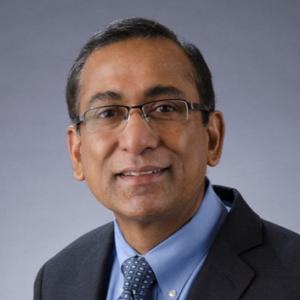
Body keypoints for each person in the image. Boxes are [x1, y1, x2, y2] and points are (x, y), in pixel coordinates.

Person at [33, 18, 300, 300]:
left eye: (165, 108)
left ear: (212, 137)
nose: (136, 140)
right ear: (77, 152)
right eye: (108, 113)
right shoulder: (58, 279)